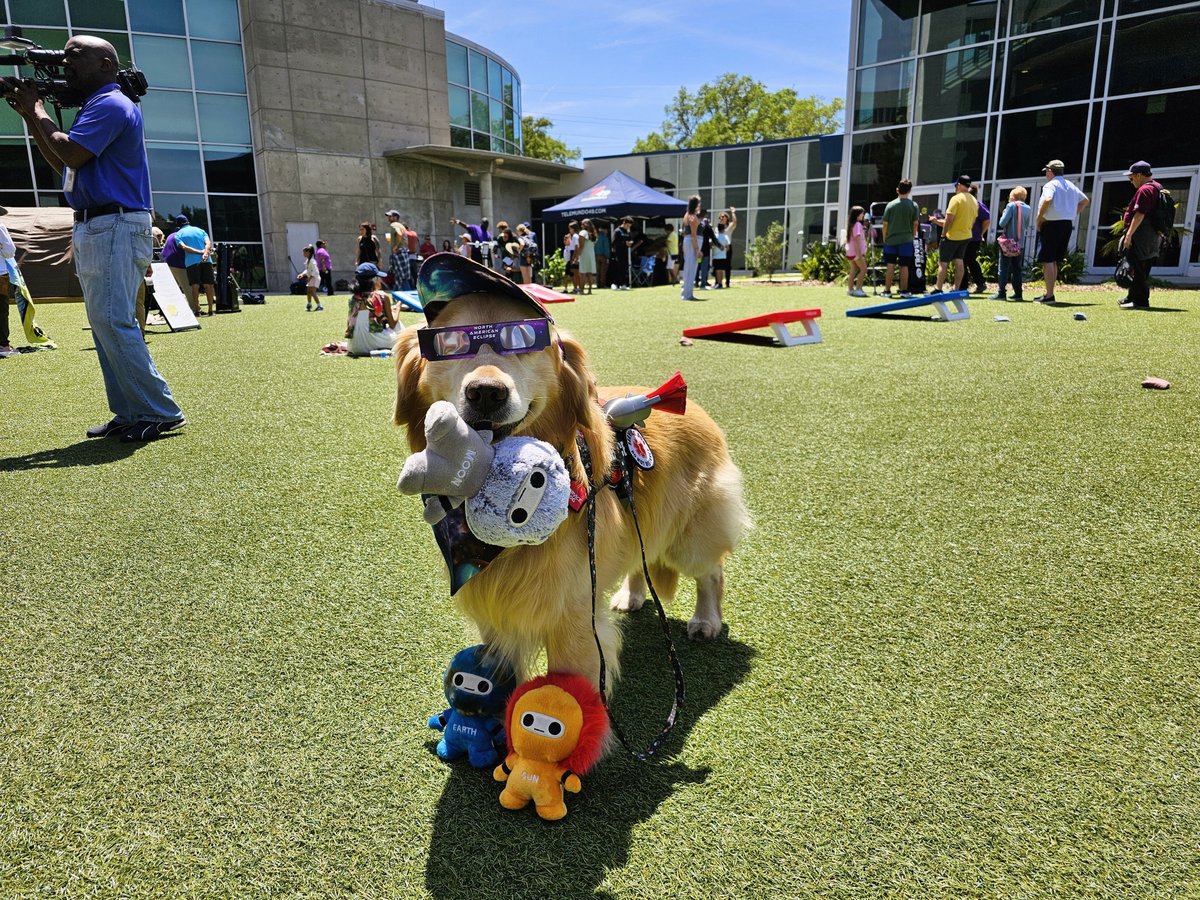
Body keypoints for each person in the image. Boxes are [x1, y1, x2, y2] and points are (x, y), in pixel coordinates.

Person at [1, 35, 184, 440]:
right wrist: (33, 118)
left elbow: (71, 154)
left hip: (114, 223)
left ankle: (159, 411)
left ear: (105, 64)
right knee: (105, 324)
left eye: (74, 56)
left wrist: (36, 109)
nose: (65, 63)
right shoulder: (97, 105)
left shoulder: (111, 103)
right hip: (100, 223)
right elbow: (61, 160)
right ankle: (132, 410)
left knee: (113, 321)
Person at [1034, 159, 1088, 304]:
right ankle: (1049, 293)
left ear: (1050, 171)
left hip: (1051, 224)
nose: (1046, 174)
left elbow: (1047, 199)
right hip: (1066, 224)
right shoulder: (1071, 185)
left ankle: (1049, 295)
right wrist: (1072, 213)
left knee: (1047, 260)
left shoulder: (1050, 185)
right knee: (1054, 260)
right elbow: (1085, 201)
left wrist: (1039, 218)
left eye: (1046, 171)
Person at [1119, 160, 1163, 310]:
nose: (1131, 181)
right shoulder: (1157, 187)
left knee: (1137, 267)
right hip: (1151, 236)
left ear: (1138, 175)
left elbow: (1140, 214)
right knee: (1139, 266)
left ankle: (1141, 301)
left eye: (1131, 178)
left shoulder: (1145, 190)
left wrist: (1129, 235)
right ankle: (1131, 297)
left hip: (1142, 235)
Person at [930, 175, 978, 293]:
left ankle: (938, 288)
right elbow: (973, 220)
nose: (956, 187)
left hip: (952, 237)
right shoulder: (974, 200)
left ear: (960, 185)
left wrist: (943, 235)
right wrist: (937, 221)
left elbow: (949, 220)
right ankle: (956, 288)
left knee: (943, 262)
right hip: (966, 236)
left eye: (956, 185)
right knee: (959, 261)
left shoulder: (956, 199)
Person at [344, 262, 397, 356]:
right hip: (375, 343)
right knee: (398, 325)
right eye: (378, 277)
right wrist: (397, 309)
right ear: (373, 280)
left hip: (354, 346)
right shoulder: (382, 296)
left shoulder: (353, 299)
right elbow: (392, 325)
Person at [881, 179, 919, 298]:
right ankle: (904, 291)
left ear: (897, 190)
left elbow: (885, 224)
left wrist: (884, 238)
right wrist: (912, 236)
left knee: (890, 265)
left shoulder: (891, 205)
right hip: (906, 240)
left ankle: (887, 291)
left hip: (890, 240)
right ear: (910, 191)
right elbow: (915, 224)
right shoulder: (914, 205)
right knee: (904, 266)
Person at [992, 187, 1031, 302]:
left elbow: (1002, 223)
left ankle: (1001, 292)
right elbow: (1026, 225)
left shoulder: (1011, 206)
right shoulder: (1028, 208)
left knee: (1003, 268)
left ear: (1013, 197)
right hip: (1020, 244)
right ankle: (1018, 293)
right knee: (1017, 269)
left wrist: (1004, 212)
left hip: (1008, 244)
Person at [173, 215, 216, 316]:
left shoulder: (178, 234)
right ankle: (210, 310)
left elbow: (183, 247)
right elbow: (208, 243)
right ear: (188, 222)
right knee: (208, 285)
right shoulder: (200, 230)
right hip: (206, 260)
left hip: (191, 262)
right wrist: (205, 253)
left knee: (195, 286)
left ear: (178, 224)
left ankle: (197, 310)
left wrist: (199, 252)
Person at [965, 184, 991, 295]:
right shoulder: (965, 205)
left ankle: (978, 284)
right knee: (967, 260)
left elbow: (987, 220)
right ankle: (976, 284)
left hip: (973, 238)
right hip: (965, 237)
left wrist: (981, 233)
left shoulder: (978, 205)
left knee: (967, 260)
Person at [161, 218, 192, 303]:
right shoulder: (181, 235)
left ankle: (167, 310)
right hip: (178, 263)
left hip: (167, 263)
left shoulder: (170, 235)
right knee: (187, 287)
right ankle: (195, 308)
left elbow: (164, 251)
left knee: (171, 290)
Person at [680, 196, 702, 301]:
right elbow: (693, 234)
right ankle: (687, 294)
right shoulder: (692, 217)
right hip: (693, 242)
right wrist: (697, 249)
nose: (700, 205)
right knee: (691, 268)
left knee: (689, 267)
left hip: (689, 241)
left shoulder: (687, 214)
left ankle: (687, 293)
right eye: (699, 203)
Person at [844, 206, 868, 297]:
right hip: (856, 253)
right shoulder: (857, 224)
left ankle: (850, 290)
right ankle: (858, 289)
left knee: (854, 270)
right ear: (857, 214)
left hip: (850, 253)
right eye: (862, 213)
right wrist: (859, 254)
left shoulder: (851, 224)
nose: (863, 215)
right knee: (864, 269)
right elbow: (857, 240)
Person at [385, 210, 411, 290]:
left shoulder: (394, 224)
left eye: (390, 216)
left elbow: (399, 234)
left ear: (396, 217)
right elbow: (406, 240)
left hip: (399, 253)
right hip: (403, 252)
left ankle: (407, 296)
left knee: (401, 277)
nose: (388, 218)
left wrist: (395, 246)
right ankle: (396, 296)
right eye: (388, 216)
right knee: (399, 277)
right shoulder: (401, 226)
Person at [609, 217, 634, 290]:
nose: (628, 227)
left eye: (629, 226)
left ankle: (623, 284)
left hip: (625, 253)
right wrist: (624, 243)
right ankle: (615, 284)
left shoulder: (627, 232)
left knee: (625, 268)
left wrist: (630, 242)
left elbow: (629, 239)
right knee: (618, 268)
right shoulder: (617, 231)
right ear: (624, 223)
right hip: (618, 253)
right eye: (627, 225)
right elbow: (614, 243)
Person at [714, 207, 737, 287]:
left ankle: (727, 283)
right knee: (717, 265)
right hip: (719, 248)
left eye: (724, 216)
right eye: (720, 217)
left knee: (727, 265)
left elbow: (734, 222)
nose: (722, 218)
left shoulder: (729, 226)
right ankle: (717, 282)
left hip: (727, 247)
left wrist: (733, 212)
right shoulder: (717, 227)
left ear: (727, 218)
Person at [298, 244, 323, 312]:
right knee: (308, 291)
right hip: (312, 278)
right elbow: (308, 270)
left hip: (314, 278)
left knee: (312, 292)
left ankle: (319, 306)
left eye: (304, 252)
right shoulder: (308, 261)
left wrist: (310, 277)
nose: (303, 254)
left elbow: (315, 271)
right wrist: (302, 274)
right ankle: (309, 304)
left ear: (308, 252)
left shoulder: (312, 261)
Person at [577, 218, 597, 294]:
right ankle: (589, 290)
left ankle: (581, 290)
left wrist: (577, 256)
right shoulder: (593, 233)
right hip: (591, 254)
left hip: (584, 254)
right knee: (589, 273)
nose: (581, 225)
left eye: (582, 224)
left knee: (582, 273)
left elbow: (581, 246)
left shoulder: (583, 232)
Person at [712, 222, 732, 288]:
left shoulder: (715, 236)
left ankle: (719, 283)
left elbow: (712, 244)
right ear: (723, 229)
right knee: (721, 270)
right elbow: (728, 247)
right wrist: (724, 251)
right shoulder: (725, 236)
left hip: (716, 256)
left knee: (717, 270)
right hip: (723, 256)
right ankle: (721, 283)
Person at [594, 223, 610, 287]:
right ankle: (602, 284)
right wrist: (608, 256)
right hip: (603, 256)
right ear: (605, 230)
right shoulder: (604, 237)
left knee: (598, 271)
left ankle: (598, 284)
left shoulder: (596, 237)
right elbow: (606, 248)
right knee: (603, 271)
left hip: (596, 256)